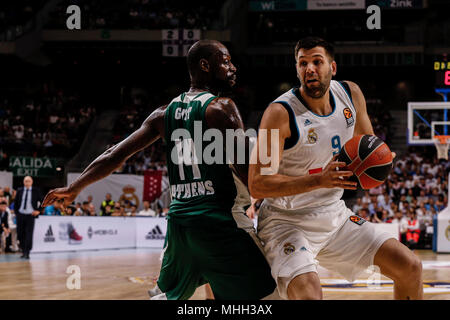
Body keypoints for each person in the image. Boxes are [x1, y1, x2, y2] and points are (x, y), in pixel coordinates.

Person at [42, 40, 276, 300]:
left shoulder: (164, 114)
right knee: (270, 294)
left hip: (180, 227)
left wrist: (75, 187)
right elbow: (251, 177)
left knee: (171, 296)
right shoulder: (221, 109)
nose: (233, 67)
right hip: (221, 223)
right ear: (205, 65)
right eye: (226, 61)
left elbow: (114, 154)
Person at [248, 37, 423, 300]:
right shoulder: (279, 113)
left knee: (410, 266)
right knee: (309, 295)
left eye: (317, 62)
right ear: (296, 69)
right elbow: (258, 183)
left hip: (334, 216)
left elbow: (367, 144)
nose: (309, 69)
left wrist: (381, 160)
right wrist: (319, 180)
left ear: (333, 67)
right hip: (285, 221)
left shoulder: (350, 94)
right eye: (302, 63)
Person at [14, 176, 42, 259]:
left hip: (31, 215)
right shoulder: (19, 190)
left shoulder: (36, 191)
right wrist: (16, 213)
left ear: (32, 182)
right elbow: (16, 203)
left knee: (28, 234)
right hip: (21, 215)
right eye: (25, 181)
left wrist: (38, 210)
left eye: (29, 181)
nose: (27, 183)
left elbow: (43, 201)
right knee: (20, 234)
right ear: (23, 182)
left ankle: (27, 252)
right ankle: (23, 251)